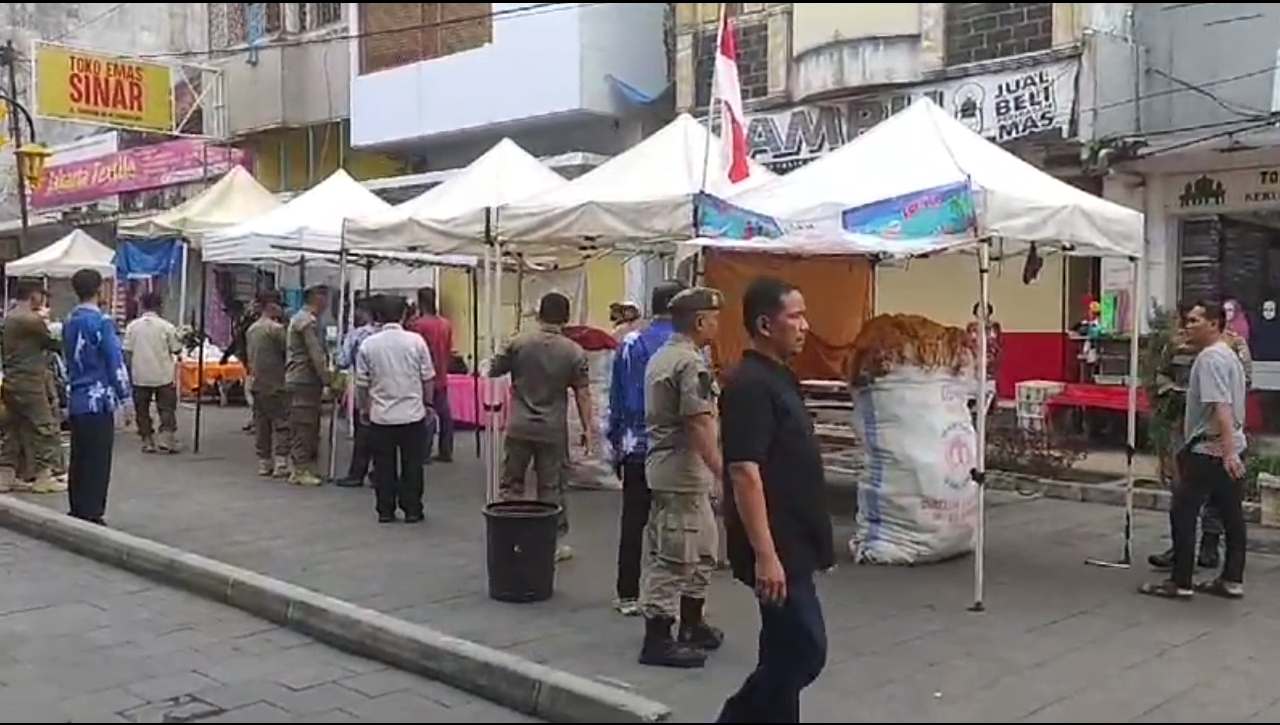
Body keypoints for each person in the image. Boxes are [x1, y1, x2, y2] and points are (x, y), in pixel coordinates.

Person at [717, 276, 832, 722]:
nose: (805, 325)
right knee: (805, 648)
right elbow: (744, 471)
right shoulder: (748, 386)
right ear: (766, 324)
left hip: (795, 541)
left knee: (782, 652)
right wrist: (766, 555)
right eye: (795, 316)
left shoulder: (779, 379)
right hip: (776, 546)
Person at [638, 287, 727, 669]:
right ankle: (657, 638)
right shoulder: (689, 364)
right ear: (700, 321)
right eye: (714, 317)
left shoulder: (665, 356)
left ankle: (693, 623)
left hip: (677, 471)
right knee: (676, 554)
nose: (718, 323)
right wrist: (722, 471)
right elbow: (698, 423)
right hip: (681, 471)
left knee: (703, 548)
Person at [1141, 300, 1249, 600]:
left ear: (1214, 324)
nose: (1187, 326)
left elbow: (1222, 406)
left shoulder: (1211, 359)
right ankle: (1231, 579)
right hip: (1231, 446)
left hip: (1209, 450)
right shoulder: (1228, 355)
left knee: (1184, 513)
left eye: (1194, 320)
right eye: (1186, 320)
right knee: (1231, 515)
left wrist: (1226, 451)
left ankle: (1181, 581)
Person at [489, 291, 593, 561]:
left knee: (512, 483)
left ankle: (509, 537)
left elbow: (493, 369)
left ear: (538, 314)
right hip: (552, 429)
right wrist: (587, 428)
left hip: (519, 424)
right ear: (566, 317)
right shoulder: (574, 351)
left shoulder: (519, 342)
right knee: (551, 487)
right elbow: (583, 393)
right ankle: (551, 544)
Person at [608, 280, 688, 617]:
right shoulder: (685, 346)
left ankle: (627, 593)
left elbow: (616, 396)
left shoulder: (630, 342)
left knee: (633, 520)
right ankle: (670, 593)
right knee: (673, 521)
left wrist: (614, 442)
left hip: (635, 444)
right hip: (672, 446)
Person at [355, 295, 435, 523]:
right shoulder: (416, 342)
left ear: (378, 315)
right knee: (413, 464)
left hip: (381, 415)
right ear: (404, 314)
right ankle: (412, 508)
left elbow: (362, 383)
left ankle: (385, 509)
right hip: (412, 413)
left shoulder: (369, 345)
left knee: (383, 465)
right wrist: (428, 404)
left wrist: (364, 408)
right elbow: (427, 377)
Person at [63, 269, 133, 525]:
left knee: (79, 456)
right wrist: (126, 399)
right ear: (99, 289)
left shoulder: (69, 320)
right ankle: (93, 510)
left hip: (77, 397)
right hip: (99, 398)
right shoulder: (102, 322)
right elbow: (115, 362)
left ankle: (77, 506)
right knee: (98, 458)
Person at [0, 282, 65, 493]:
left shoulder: (8, 318)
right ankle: (44, 475)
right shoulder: (30, 319)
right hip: (30, 381)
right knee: (43, 426)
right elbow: (53, 342)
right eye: (40, 296)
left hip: (11, 380)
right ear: (33, 295)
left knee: (13, 428)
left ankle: (6, 475)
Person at [123, 292, 183, 454]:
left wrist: (129, 373)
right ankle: (165, 439)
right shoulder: (166, 326)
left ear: (142, 306)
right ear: (159, 306)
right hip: (163, 375)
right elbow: (176, 349)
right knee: (166, 408)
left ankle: (147, 440)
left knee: (142, 409)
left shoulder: (132, 327)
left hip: (140, 375)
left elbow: (127, 352)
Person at [285, 285, 331, 486]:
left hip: (302, 378)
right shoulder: (306, 322)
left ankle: (302, 464)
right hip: (304, 378)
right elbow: (315, 354)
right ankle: (300, 468)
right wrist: (327, 379)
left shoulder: (302, 318)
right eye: (325, 298)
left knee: (307, 423)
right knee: (304, 424)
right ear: (316, 298)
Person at [245, 290, 290, 478]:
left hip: (257, 383)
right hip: (276, 382)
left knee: (262, 426)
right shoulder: (276, 330)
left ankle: (264, 462)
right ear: (272, 306)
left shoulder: (252, 329)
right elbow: (287, 353)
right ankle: (281, 462)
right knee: (282, 423)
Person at [333, 297, 378, 487]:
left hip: (363, 384)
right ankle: (380, 472)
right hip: (386, 388)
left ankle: (357, 473)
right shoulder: (388, 333)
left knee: (363, 431)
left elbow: (342, 361)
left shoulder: (356, 335)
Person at [409, 286, 455, 463]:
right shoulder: (445, 324)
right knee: (445, 415)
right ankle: (446, 450)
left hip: (423, 376)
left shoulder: (417, 325)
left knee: (425, 413)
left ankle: (424, 451)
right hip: (441, 374)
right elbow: (449, 350)